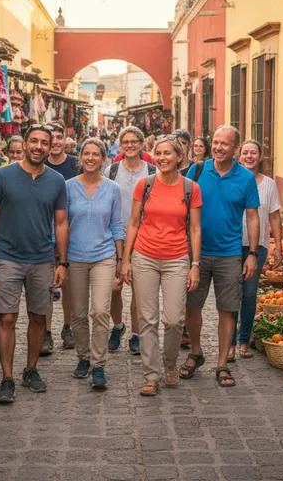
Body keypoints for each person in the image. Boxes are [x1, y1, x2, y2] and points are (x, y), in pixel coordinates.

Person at [0, 124, 69, 404]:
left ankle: (30, 370)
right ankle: (7, 378)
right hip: (7, 257)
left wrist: (62, 262)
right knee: (6, 317)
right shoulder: (3, 176)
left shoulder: (56, 181)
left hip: (42, 259)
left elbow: (62, 222)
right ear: (25, 143)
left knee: (39, 317)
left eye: (44, 142)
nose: (39, 146)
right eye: (34, 141)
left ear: (50, 145)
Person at [121, 135, 202, 396]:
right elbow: (133, 222)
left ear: (179, 157)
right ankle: (151, 374)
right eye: (159, 153)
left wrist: (195, 264)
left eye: (168, 153)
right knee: (147, 319)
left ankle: (169, 362)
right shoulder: (144, 185)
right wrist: (126, 259)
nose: (163, 158)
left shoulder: (190, 188)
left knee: (175, 319)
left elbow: (195, 228)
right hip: (144, 256)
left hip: (177, 258)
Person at [181, 126, 260, 388]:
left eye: (225, 144)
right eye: (215, 142)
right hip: (198, 254)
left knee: (227, 309)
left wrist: (251, 254)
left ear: (235, 148)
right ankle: (195, 351)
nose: (218, 148)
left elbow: (252, 216)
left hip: (229, 254)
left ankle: (223, 363)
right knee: (192, 306)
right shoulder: (198, 171)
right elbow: (183, 209)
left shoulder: (245, 178)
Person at [66, 139, 125, 389]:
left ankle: (99, 364)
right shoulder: (67, 187)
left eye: (95, 154)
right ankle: (83, 356)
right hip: (74, 257)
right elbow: (59, 224)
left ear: (103, 158)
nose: (90, 158)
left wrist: (122, 260)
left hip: (104, 256)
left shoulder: (112, 189)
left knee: (100, 311)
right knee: (78, 314)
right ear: (80, 158)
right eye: (86, 153)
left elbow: (117, 225)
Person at [105, 126, 155, 355]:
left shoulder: (152, 170)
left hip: (144, 237)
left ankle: (136, 333)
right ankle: (117, 326)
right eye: (125, 141)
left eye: (134, 141)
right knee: (113, 287)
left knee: (139, 288)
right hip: (115, 237)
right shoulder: (112, 171)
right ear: (120, 145)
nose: (130, 145)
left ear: (142, 144)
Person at [233, 140, 282, 359]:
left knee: (250, 293)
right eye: (245, 153)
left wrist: (278, 246)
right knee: (232, 294)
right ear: (239, 155)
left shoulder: (269, 184)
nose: (249, 156)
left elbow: (274, 216)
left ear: (260, 156)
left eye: (253, 153)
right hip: (232, 244)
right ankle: (230, 342)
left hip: (257, 245)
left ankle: (243, 339)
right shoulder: (232, 179)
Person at [44, 122, 79, 354]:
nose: (55, 142)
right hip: (43, 233)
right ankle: (45, 332)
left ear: (65, 139)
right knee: (46, 285)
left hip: (72, 232)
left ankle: (68, 327)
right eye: (51, 138)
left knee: (67, 286)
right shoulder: (39, 164)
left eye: (59, 137)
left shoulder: (75, 164)